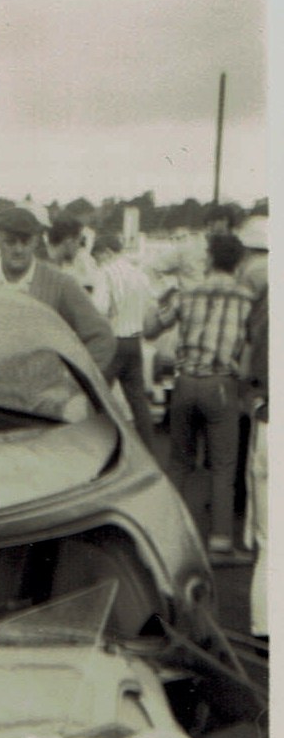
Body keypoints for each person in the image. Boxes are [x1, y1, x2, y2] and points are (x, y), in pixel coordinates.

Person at [145, 233, 252, 557]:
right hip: (220, 385)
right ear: (238, 262)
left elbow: (150, 329)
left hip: (184, 383)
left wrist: (158, 299)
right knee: (222, 467)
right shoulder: (248, 299)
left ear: (208, 259)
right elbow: (249, 355)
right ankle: (220, 542)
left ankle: (165, 534)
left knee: (179, 463)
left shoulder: (187, 293)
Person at [0, 207, 116, 378]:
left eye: (26, 242)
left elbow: (101, 336)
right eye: (10, 241)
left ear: (37, 241)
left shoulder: (59, 283)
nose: (18, 249)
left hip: (36, 398)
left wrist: (73, 382)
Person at [91, 234, 157, 450]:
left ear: (107, 252)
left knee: (96, 397)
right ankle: (148, 450)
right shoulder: (140, 275)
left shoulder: (105, 272)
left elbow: (99, 308)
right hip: (134, 342)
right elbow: (149, 311)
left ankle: (97, 447)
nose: (97, 263)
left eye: (98, 258)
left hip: (113, 341)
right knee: (138, 401)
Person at [237, 215, 268, 637]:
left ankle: (264, 631)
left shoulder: (263, 298)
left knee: (270, 545)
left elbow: (250, 367)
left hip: (269, 419)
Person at [47, 215, 105, 300]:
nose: (79, 247)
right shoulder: (49, 266)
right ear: (69, 242)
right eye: (78, 241)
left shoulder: (57, 263)